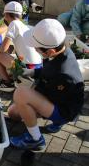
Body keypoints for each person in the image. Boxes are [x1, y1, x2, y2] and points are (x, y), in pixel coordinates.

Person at [8, 19, 84, 150]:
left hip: (64, 110)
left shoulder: (64, 74)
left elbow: (47, 93)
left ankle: (36, 139)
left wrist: (29, 99)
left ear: (50, 52)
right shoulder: (61, 49)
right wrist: (31, 72)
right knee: (13, 113)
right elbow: (47, 71)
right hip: (61, 97)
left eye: (36, 48)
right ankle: (56, 122)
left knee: (20, 94)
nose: (34, 49)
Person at [0, 1, 42, 92]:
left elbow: (3, 49)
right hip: (37, 68)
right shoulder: (25, 26)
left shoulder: (13, 24)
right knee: (12, 55)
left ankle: (7, 83)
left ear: (6, 15)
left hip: (27, 70)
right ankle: (16, 78)